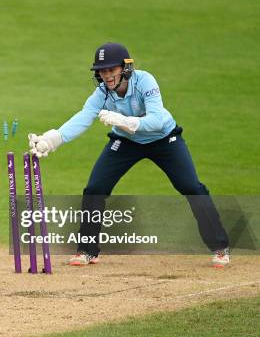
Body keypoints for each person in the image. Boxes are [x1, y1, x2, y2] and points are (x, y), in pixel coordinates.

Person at [28, 43, 230, 268]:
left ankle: (220, 248)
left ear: (125, 68)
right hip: (125, 142)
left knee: (191, 187)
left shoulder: (145, 81)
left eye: (111, 70)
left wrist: (123, 121)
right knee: (95, 189)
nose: (106, 76)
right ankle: (87, 250)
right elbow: (83, 117)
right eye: (102, 71)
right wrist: (51, 140)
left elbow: (157, 120)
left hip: (164, 139)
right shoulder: (102, 92)